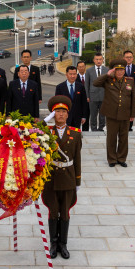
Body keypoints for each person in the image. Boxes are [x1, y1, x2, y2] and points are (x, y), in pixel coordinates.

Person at [42, 95, 82, 260]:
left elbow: (77, 159)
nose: (60, 114)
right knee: (53, 212)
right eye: (57, 111)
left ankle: (63, 244)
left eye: (63, 111)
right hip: (51, 178)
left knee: (64, 212)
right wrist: (45, 121)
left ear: (67, 114)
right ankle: (53, 243)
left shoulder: (75, 133)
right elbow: (30, 131)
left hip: (67, 178)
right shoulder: (46, 132)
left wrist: (77, 180)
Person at [93, 59, 135, 168]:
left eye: (122, 69)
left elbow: (132, 98)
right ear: (114, 71)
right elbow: (95, 83)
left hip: (125, 114)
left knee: (123, 138)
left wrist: (132, 114)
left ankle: (121, 158)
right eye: (118, 70)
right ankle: (112, 159)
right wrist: (107, 74)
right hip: (112, 114)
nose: (120, 72)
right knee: (111, 138)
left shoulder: (130, 81)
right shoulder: (108, 80)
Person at [54, 66, 89, 130]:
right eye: (70, 74)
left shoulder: (80, 86)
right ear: (66, 75)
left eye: (74, 74)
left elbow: (84, 102)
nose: (72, 76)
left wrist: (84, 116)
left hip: (77, 116)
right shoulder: (60, 87)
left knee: (75, 135)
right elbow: (57, 104)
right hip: (65, 117)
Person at [85, 53, 108, 132]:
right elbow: (86, 84)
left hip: (104, 96)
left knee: (102, 115)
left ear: (102, 60)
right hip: (92, 96)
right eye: (97, 59)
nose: (98, 61)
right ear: (94, 60)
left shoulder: (106, 70)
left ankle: (101, 128)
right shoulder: (89, 71)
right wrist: (87, 96)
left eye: (100, 59)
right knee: (93, 114)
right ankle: (94, 128)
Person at [122, 50, 135, 132]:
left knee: (131, 110)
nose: (128, 59)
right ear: (124, 58)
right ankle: (123, 126)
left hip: (132, 94)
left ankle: (130, 127)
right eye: (127, 57)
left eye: (130, 57)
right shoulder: (120, 68)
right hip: (122, 93)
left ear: (133, 58)